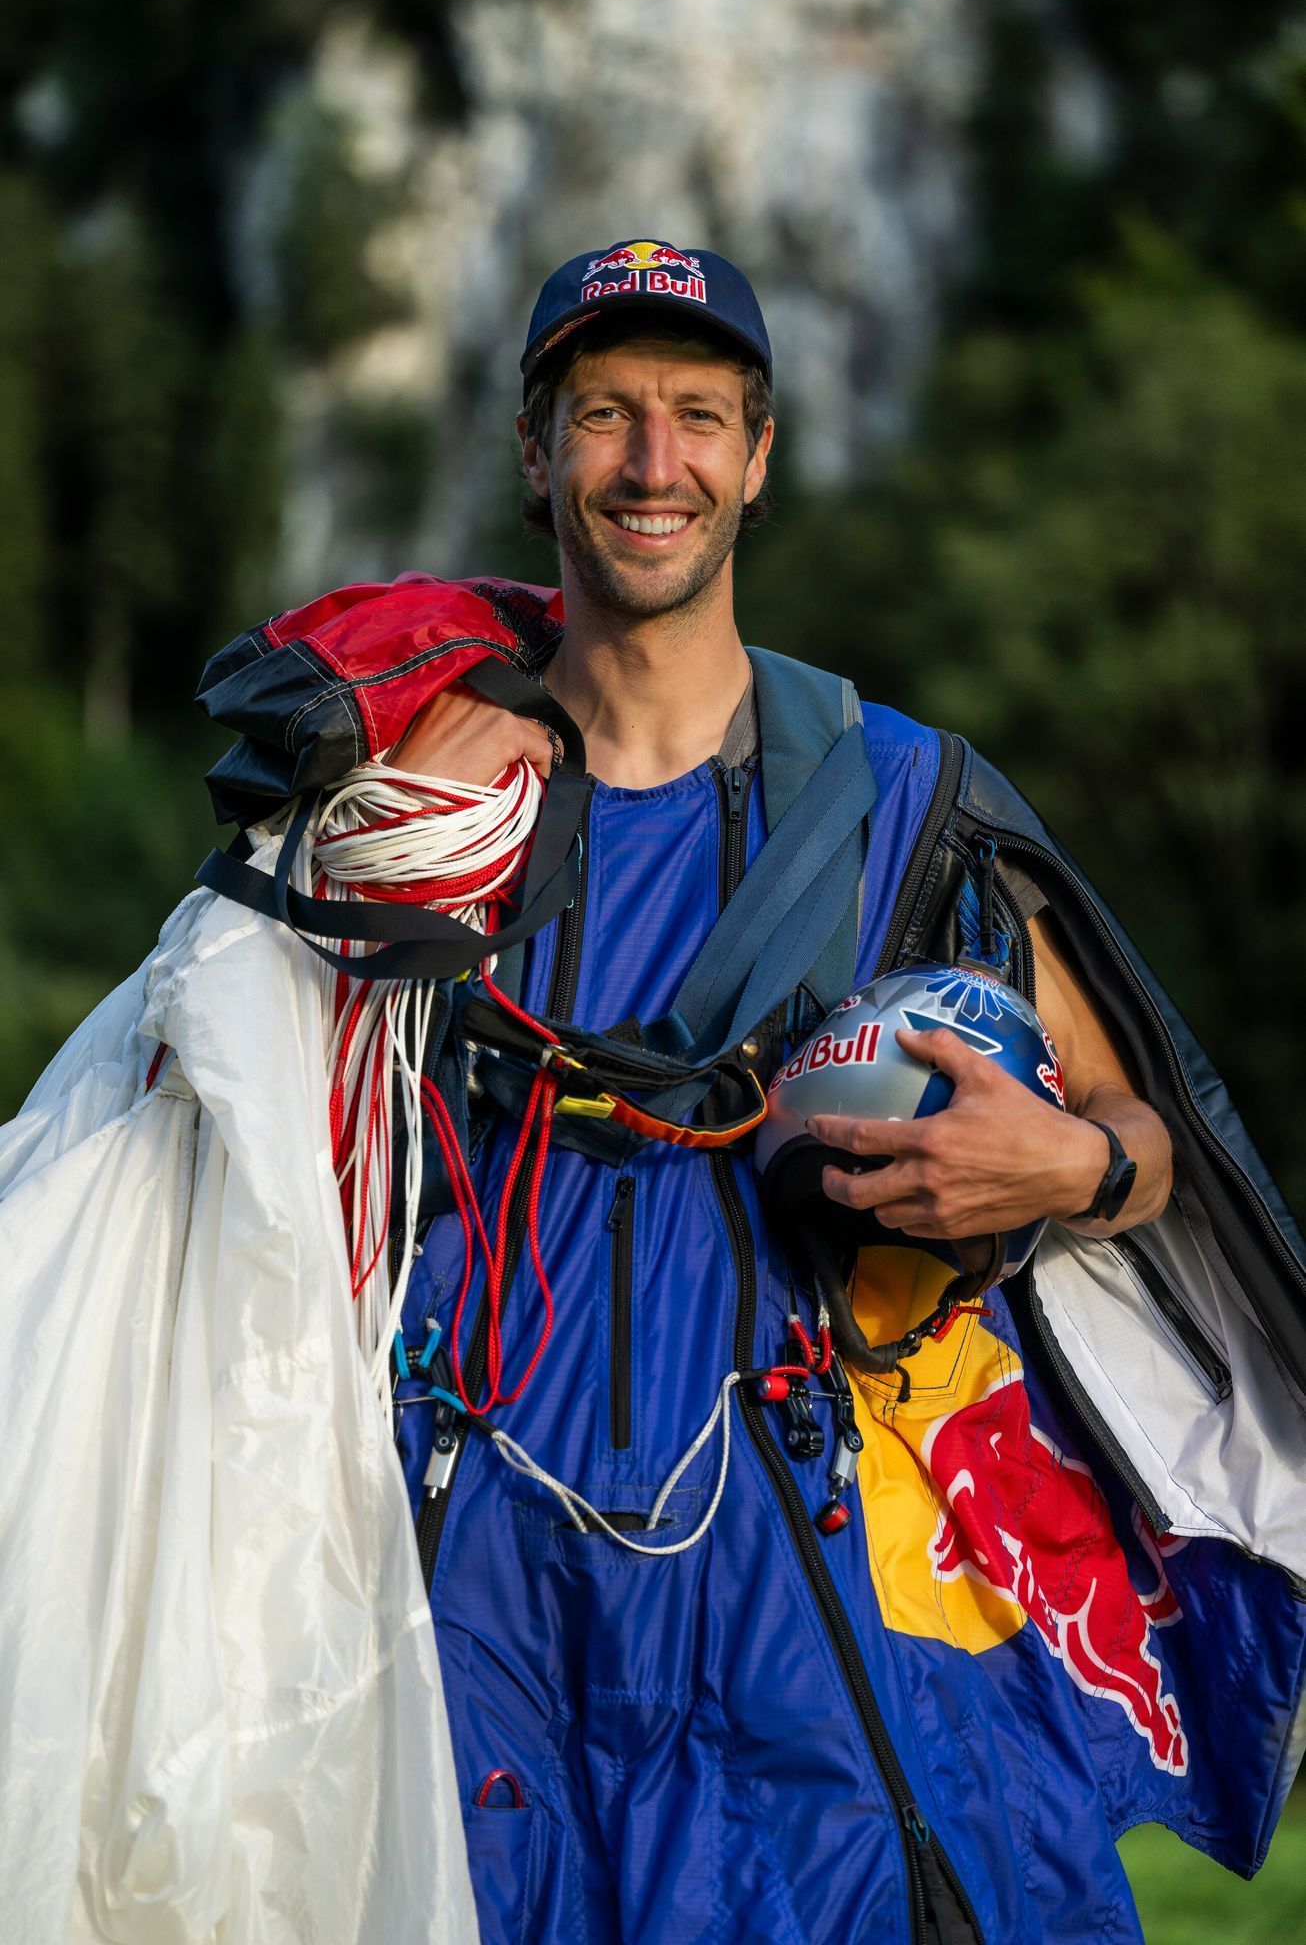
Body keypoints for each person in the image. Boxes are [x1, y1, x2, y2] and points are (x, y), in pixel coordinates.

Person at [351, 242, 1306, 1942]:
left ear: (760, 457)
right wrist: (381, 837)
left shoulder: (902, 805)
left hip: (825, 1617)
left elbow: (1149, 1139)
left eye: (699, 417)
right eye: (607, 417)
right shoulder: (417, 808)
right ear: (532, 452)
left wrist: (1068, 1166)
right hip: (474, 1614)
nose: (654, 465)